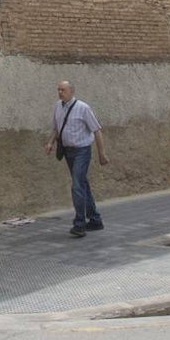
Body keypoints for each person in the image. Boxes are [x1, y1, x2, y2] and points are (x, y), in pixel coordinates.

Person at [43, 80, 109, 237]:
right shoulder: (57, 107)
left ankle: (79, 224)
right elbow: (56, 127)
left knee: (77, 185)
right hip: (68, 152)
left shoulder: (83, 108)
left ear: (71, 91)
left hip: (82, 151)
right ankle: (95, 219)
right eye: (58, 90)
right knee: (82, 184)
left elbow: (97, 130)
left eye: (63, 90)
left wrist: (102, 154)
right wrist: (50, 142)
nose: (60, 92)